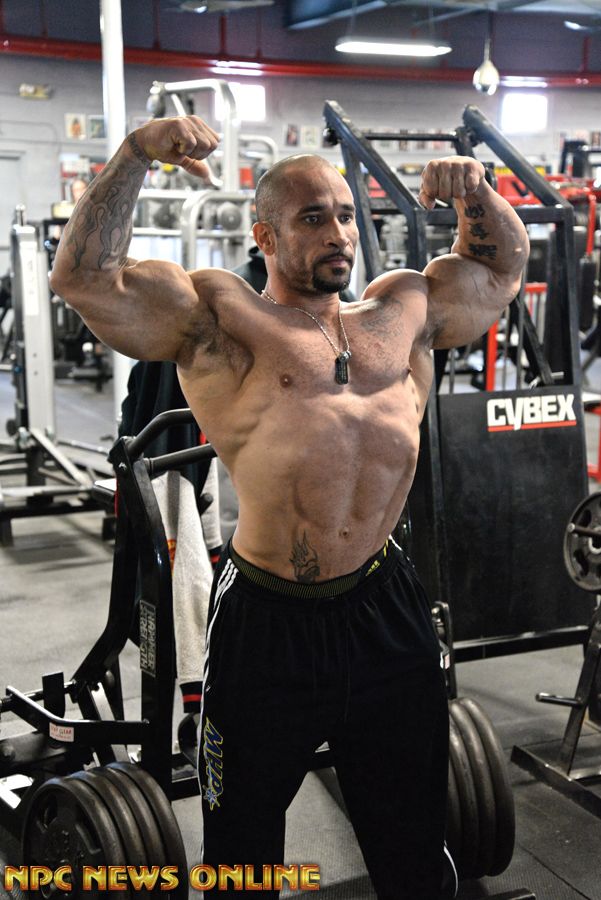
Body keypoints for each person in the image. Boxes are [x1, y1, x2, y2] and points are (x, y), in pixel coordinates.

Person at [50, 115, 529, 899]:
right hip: (267, 625)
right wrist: (135, 154)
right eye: (312, 218)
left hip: (384, 610)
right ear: (265, 237)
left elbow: (500, 268)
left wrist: (476, 192)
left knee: (411, 839)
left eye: (343, 215)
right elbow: (84, 278)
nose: (337, 233)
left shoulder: (403, 309)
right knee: (243, 855)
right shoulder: (220, 320)